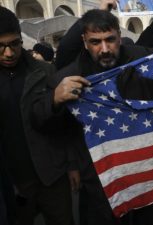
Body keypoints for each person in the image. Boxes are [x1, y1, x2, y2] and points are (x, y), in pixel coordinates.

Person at [31, 9, 153, 225]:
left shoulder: (143, 59)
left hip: (147, 171)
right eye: (95, 42)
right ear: (84, 41)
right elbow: (40, 121)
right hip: (101, 181)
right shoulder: (70, 76)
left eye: (110, 40)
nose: (104, 49)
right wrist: (54, 100)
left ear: (119, 36)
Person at [0, 6, 76, 225]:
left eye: (15, 44)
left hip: (53, 176)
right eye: (1, 46)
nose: (9, 53)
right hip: (13, 183)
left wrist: (72, 165)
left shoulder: (45, 72)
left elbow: (66, 123)